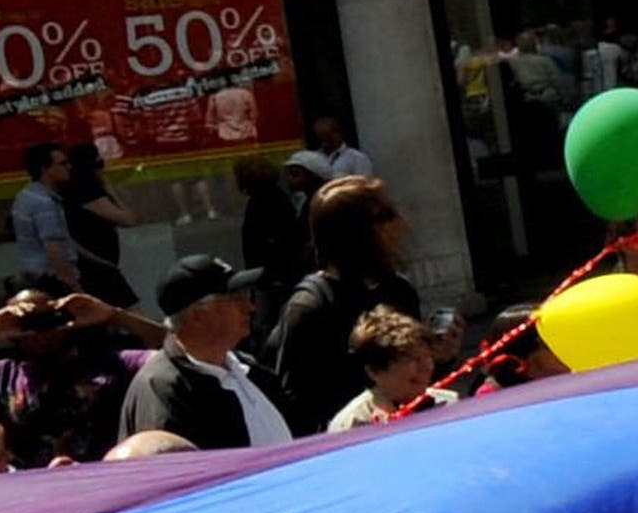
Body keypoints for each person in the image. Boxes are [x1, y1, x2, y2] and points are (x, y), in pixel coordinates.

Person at [263, 175, 423, 433]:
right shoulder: (310, 307)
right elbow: (296, 406)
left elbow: (416, 374)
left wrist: (439, 354)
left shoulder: (398, 290)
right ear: (355, 233)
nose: (399, 224)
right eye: (385, 216)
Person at [117, 256, 298, 450]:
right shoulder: (162, 388)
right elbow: (169, 469)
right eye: (236, 299)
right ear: (196, 316)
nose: (250, 307)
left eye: (247, 296)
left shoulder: (247, 369)